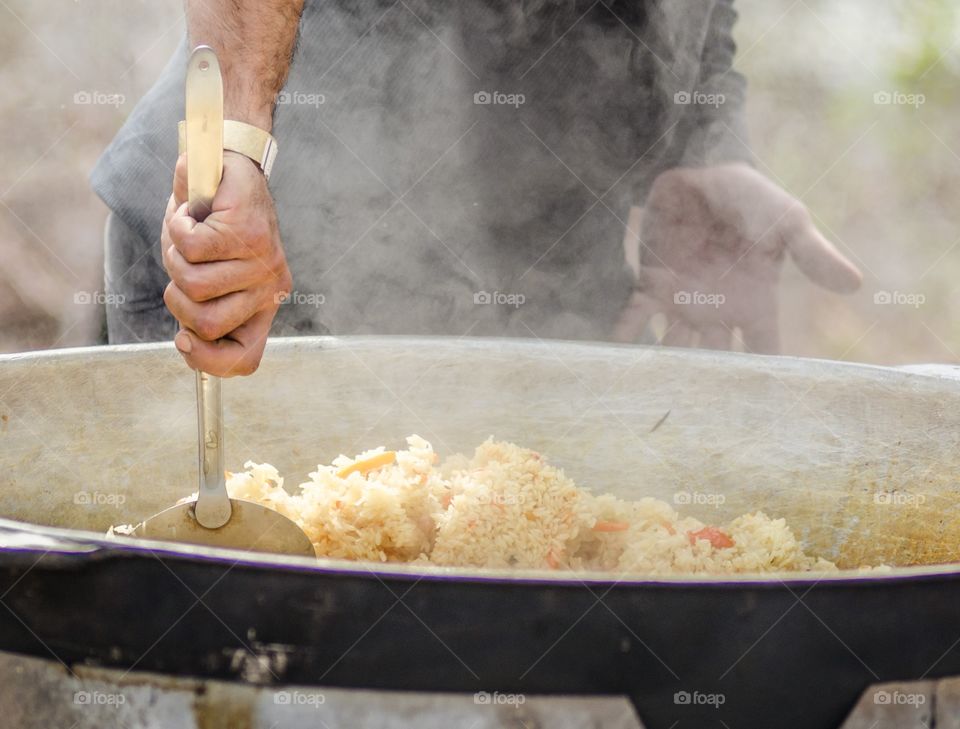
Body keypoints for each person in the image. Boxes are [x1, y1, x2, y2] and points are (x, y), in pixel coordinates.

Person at [92, 0, 862, 377]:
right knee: (265, 653)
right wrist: (232, 139)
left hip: (552, 273)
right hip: (272, 242)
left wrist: (705, 141)